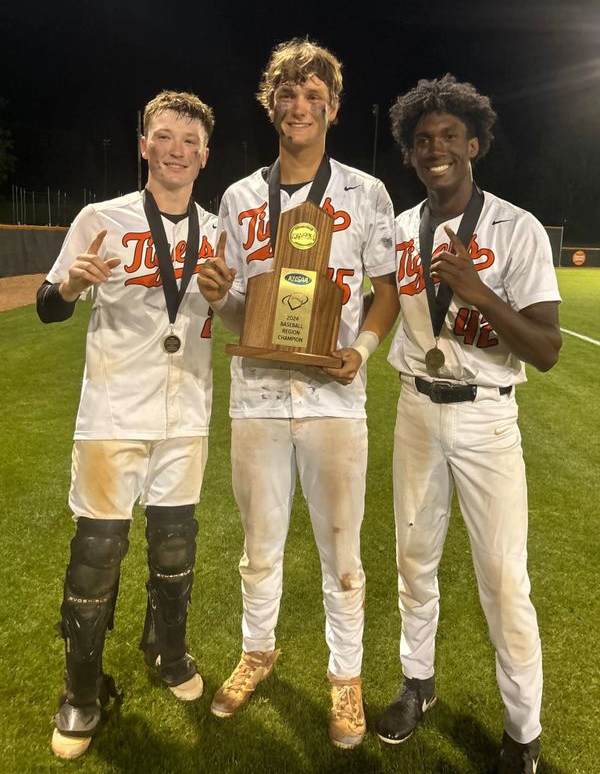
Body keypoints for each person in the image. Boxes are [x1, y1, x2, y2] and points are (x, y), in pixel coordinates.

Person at [198, 38, 398, 749]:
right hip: (255, 396)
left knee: (342, 551)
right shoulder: (239, 197)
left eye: (314, 96)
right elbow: (232, 312)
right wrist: (219, 297)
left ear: (333, 109)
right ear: (271, 105)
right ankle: (259, 648)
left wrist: (363, 350)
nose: (300, 106)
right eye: (288, 94)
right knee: (259, 547)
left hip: (334, 400)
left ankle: (346, 678)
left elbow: (387, 292)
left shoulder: (366, 193)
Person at [376, 74, 561, 773]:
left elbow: (545, 350)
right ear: (411, 154)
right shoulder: (399, 230)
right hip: (417, 409)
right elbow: (380, 304)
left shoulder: (518, 227)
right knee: (413, 562)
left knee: (503, 580)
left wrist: (479, 293)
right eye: (423, 141)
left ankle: (522, 733)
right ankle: (417, 685)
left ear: (474, 143)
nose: (436, 149)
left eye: (449, 136)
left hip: (487, 420)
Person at [37, 90, 218, 759]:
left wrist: (229, 300)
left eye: (189, 141)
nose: (177, 150)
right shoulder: (100, 218)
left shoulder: (219, 228)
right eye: (164, 137)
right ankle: (80, 690)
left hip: (186, 413)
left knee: (176, 546)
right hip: (113, 413)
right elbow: (47, 307)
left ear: (205, 154)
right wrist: (69, 287)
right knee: (98, 552)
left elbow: (231, 316)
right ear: (144, 145)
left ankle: (167, 651)